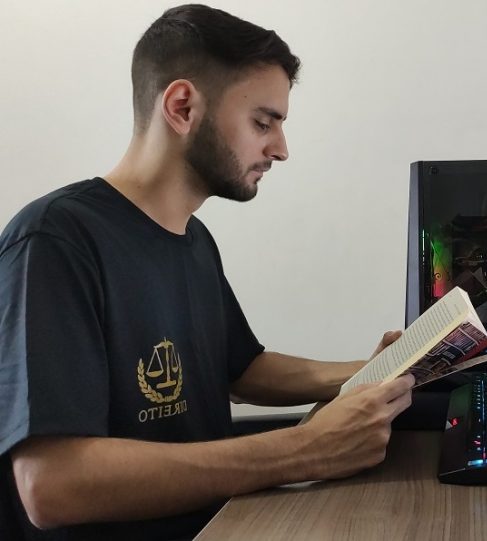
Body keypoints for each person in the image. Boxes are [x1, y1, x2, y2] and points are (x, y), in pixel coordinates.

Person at [0, 4, 414, 540]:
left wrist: (370, 373)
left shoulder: (193, 239)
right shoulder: (55, 241)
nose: (280, 149)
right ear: (182, 106)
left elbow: (241, 370)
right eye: (263, 122)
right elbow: (52, 484)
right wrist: (305, 450)